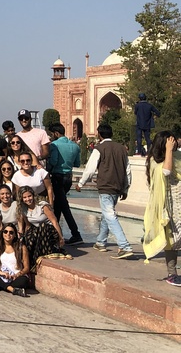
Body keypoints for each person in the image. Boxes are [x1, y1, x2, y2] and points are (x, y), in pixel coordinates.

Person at [76, 123, 133, 258]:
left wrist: (80, 183)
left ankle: (124, 246)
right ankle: (100, 242)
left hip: (106, 186)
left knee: (110, 215)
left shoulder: (99, 148)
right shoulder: (121, 149)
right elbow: (128, 171)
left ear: (99, 135)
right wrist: (126, 188)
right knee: (107, 214)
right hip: (117, 186)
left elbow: (90, 169)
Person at [143, 132, 181, 285]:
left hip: (179, 202)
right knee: (172, 240)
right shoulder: (155, 161)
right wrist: (169, 151)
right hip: (169, 206)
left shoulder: (177, 157)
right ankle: (172, 274)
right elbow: (165, 171)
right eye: (170, 142)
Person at [46, 122, 82, 244]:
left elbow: (54, 161)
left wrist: (48, 168)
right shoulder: (75, 146)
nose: (51, 136)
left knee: (63, 206)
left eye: (52, 134)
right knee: (59, 205)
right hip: (68, 177)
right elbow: (77, 163)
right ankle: (54, 233)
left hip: (57, 177)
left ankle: (76, 234)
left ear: (56, 133)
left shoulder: (55, 145)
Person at [18, 187, 68, 266]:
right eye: (25, 197)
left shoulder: (42, 205)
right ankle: (30, 262)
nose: (28, 199)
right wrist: (25, 237)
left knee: (43, 226)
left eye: (29, 196)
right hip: (37, 231)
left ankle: (44, 255)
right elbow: (28, 225)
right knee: (29, 238)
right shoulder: (23, 208)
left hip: (50, 231)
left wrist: (60, 237)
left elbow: (54, 221)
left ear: (33, 195)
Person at [0, 224, 30, 297]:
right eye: (5, 232)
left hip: (15, 277)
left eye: (11, 232)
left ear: (15, 235)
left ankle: (2, 286)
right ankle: (12, 289)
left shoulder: (21, 247)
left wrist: (18, 275)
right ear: (2, 233)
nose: (8, 234)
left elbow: (26, 268)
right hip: (2, 275)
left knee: (24, 281)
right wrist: (0, 272)